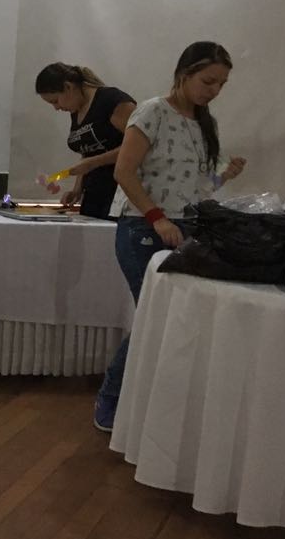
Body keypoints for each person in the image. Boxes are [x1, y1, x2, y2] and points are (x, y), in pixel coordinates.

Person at [92, 42, 246, 432]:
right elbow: (124, 173)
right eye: (208, 81)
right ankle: (111, 397)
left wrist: (224, 176)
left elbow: (196, 187)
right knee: (154, 315)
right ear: (184, 74)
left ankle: (158, 399)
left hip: (185, 227)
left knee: (178, 317)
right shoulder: (152, 112)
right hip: (143, 227)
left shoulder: (204, 124)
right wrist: (157, 217)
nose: (214, 90)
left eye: (221, 84)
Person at [34, 63, 136, 219]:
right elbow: (88, 151)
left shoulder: (112, 101)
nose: (56, 108)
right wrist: (77, 189)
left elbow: (138, 146)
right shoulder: (77, 108)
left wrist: (94, 162)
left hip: (121, 193)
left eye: (55, 101)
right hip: (94, 193)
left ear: (68, 87)